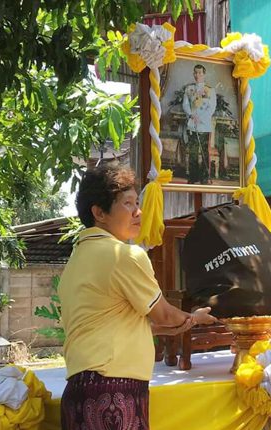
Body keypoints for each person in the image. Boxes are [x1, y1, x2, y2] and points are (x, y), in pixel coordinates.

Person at [59, 163, 217, 429]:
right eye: (128, 204)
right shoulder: (125, 256)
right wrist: (195, 316)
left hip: (78, 392)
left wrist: (192, 320)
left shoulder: (75, 263)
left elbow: (134, 325)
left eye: (137, 203)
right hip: (112, 390)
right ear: (99, 212)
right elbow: (165, 315)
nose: (138, 212)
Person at [182, 64, 217, 184]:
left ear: (204, 74)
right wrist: (192, 115)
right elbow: (185, 104)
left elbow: (211, 108)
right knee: (193, 151)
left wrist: (200, 118)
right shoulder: (189, 89)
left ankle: (205, 177)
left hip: (204, 125)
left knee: (204, 151)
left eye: (200, 73)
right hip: (192, 124)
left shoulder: (210, 90)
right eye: (195, 73)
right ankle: (193, 177)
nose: (198, 75)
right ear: (193, 74)